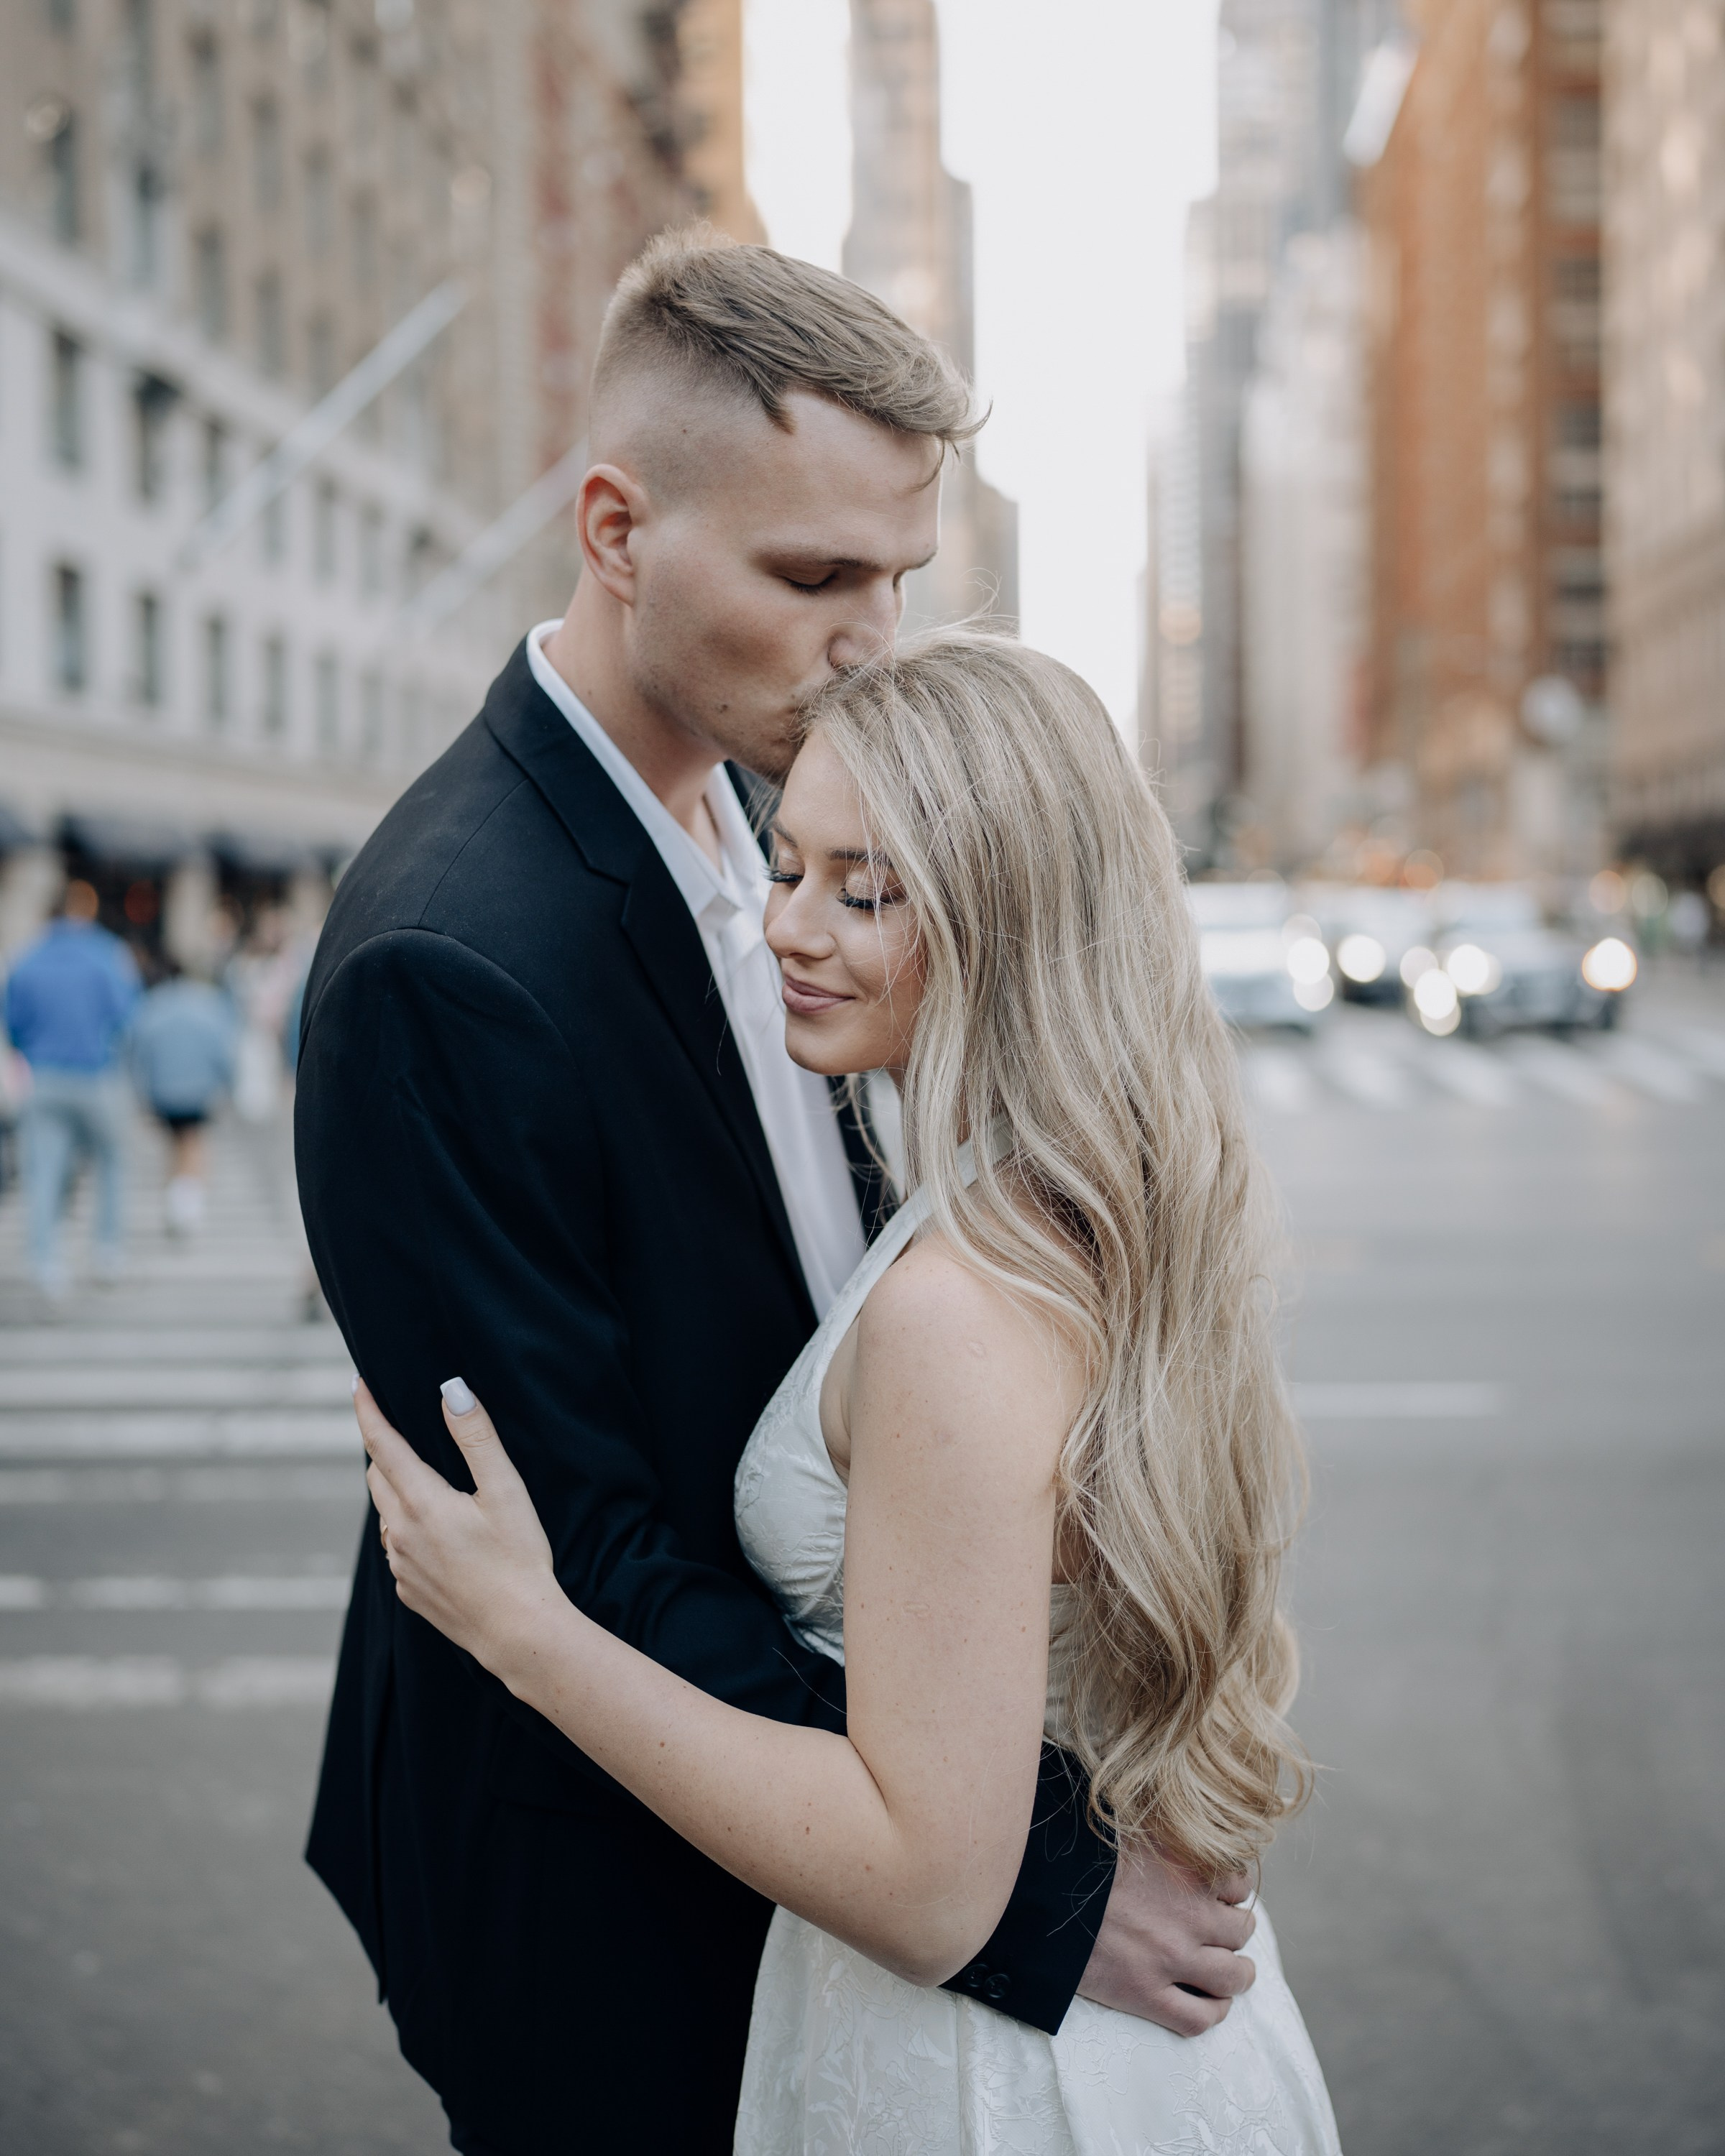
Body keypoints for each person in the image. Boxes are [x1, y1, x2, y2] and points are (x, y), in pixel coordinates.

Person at [295, 231, 1263, 2156]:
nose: (870, 642)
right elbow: (566, 1543)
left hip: (880, 1814)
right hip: (615, 1893)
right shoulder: (450, 957)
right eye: (816, 576)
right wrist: (1021, 1886)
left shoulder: (792, 812)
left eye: (898, 580)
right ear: (615, 527)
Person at [356, 631, 1339, 2152]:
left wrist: (529, 1635)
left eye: (862, 891)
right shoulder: (1088, 1205)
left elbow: (928, 1883)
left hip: (996, 2076)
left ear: (1012, 920)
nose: (786, 930)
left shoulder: (964, 1301)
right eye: (787, 867)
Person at [4, 878, 140, 1299]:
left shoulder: (27, 958)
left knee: (44, 1173)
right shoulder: (107, 955)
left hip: (44, 1077)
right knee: (111, 1162)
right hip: (96, 1074)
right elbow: (127, 1015)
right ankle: (106, 1252)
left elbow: (12, 1024)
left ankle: (48, 1266)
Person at [127, 966, 238, 1234]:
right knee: (194, 1144)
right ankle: (188, 1206)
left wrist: (142, 1091)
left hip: (163, 1090)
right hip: (199, 1089)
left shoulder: (153, 1005)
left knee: (174, 1145)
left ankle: (175, 1200)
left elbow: (138, 1049)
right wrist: (228, 1087)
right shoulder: (210, 1006)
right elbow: (224, 1051)